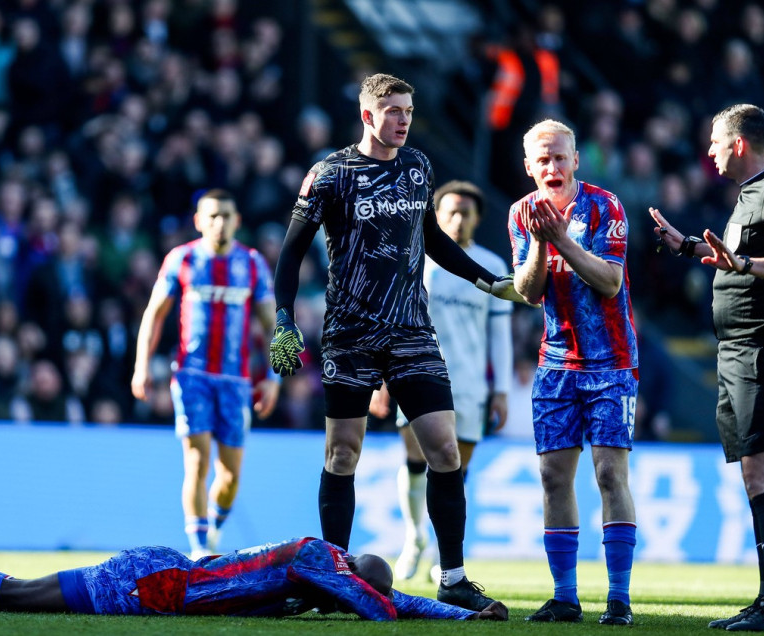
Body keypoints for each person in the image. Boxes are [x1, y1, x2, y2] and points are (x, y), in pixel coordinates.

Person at [268, 72, 529, 612]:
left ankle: (453, 575)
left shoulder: (417, 168)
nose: (403, 119)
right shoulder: (329, 174)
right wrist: (284, 320)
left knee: (444, 449)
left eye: (408, 110)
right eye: (392, 110)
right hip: (350, 333)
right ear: (367, 115)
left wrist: (489, 280)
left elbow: (431, 240)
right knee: (344, 453)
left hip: (411, 331)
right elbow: (291, 253)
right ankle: (336, 576)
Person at [649, 104, 764, 633]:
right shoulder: (747, 198)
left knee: (763, 470)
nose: (710, 151)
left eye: (716, 142)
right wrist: (690, 246)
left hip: (761, 349)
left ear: (739, 144)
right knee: (752, 471)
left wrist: (741, 264)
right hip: (737, 350)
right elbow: (736, 256)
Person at [0, 524, 509, 621]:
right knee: (9, 597)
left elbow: (393, 597)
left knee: (11, 597)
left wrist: (463, 615)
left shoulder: (320, 567)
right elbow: (382, 606)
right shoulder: (317, 558)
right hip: (156, 587)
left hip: (165, 575)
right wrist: (392, 604)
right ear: (348, 565)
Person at [509, 119, 639, 626]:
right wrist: (543, 242)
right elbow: (527, 289)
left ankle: (619, 598)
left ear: (576, 159)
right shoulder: (523, 213)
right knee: (553, 476)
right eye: (542, 160)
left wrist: (563, 240)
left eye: (560, 157)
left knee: (609, 474)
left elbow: (609, 281)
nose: (552, 167)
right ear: (529, 166)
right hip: (556, 361)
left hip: (611, 362)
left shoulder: (605, 208)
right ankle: (565, 597)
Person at [369, 180, 514, 582]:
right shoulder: (418, 260)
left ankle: (439, 552)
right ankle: (415, 537)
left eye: (466, 213)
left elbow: (499, 335)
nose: (458, 219)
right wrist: (382, 379)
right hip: (415, 375)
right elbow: (393, 322)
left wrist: (500, 389)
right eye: (449, 211)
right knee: (416, 462)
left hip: (470, 386)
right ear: (436, 214)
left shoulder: (487, 266)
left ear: (477, 219)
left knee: (453, 474)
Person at [131, 189, 281, 559]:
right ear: (198, 221)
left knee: (229, 477)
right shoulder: (181, 259)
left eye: (226, 215)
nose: (219, 222)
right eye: (212, 216)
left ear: (237, 221)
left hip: (235, 381)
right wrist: (140, 365)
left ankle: (213, 526)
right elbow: (154, 314)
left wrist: (274, 377)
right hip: (191, 375)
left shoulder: (251, 263)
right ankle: (199, 549)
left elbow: (273, 323)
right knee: (196, 460)